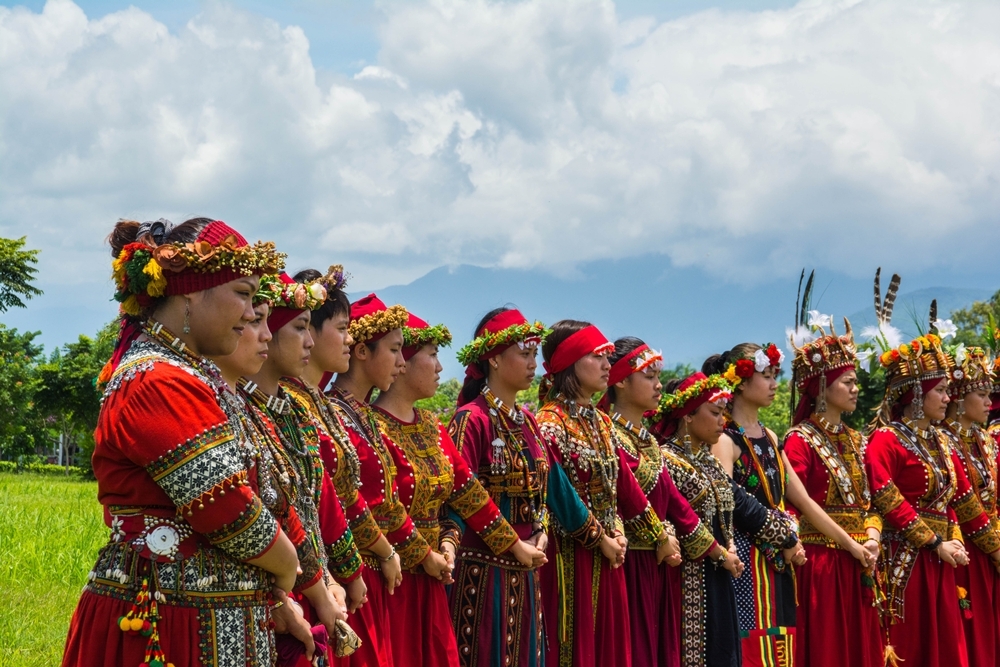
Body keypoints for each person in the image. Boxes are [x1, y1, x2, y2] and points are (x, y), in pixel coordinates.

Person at [63, 218, 303, 667]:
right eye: (244, 294)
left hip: (205, 617)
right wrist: (288, 570)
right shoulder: (157, 379)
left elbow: (266, 493)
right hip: (168, 622)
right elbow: (227, 507)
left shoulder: (195, 376)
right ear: (192, 290)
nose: (253, 314)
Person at [372, 312, 547, 667]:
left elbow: (467, 492)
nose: (440, 367)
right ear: (401, 361)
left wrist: (528, 537)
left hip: (441, 572)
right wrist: (432, 553)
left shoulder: (431, 426)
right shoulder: (370, 423)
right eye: (433, 354)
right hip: (392, 575)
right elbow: (381, 506)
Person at [448, 307, 599, 667]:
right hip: (481, 576)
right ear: (495, 359)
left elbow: (548, 486)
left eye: (535, 354)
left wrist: (542, 531)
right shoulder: (472, 419)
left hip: (526, 572)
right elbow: (460, 494)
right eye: (525, 354)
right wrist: (513, 545)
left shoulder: (527, 421)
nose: (534, 363)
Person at [704, 342, 855, 667]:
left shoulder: (771, 437)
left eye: (776, 375)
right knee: (751, 648)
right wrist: (780, 538)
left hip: (778, 562)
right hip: (746, 562)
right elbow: (726, 504)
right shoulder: (726, 440)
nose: (774, 384)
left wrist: (851, 545)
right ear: (741, 382)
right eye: (767, 376)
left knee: (781, 647)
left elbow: (802, 500)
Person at [536, 320, 670, 667]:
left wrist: (655, 534)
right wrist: (602, 539)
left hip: (610, 552)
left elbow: (625, 489)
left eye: (609, 357)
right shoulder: (549, 424)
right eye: (597, 357)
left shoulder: (601, 422)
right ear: (570, 363)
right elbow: (561, 499)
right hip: (570, 556)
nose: (607, 365)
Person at [241, 272, 358, 661]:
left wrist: (339, 576)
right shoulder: (243, 408)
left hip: (313, 587)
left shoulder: (293, 410)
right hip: (280, 593)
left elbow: (322, 501)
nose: (309, 341)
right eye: (300, 328)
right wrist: (318, 586)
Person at [866, 331, 1000, 667]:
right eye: (939, 390)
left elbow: (963, 501)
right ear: (915, 394)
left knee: (948, 648)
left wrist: (957, 540)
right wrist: (933, 541)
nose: (947, 398)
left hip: (941, 559)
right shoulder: (887, 439)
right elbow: (886, 497)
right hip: (906, 560)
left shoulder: (940, 442)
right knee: (914, 645)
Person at [650, 372, 797, 667]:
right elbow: (678, 518)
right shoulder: (666, 460)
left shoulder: (711, 463)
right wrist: (719, 553)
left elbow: (747, 508)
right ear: (688, 416)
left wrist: (789, 538)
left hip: (719, 574)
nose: (723, 422)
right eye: (715, 413)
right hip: (686, 578)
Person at [601, 337, 722, 667]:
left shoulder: (648, 442)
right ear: (622, 381)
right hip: (626, 562)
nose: (658, 386)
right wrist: (661, 537)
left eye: (658, 377)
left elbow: (674, 502)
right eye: (649, 377)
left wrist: (715, 549)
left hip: (659, 562)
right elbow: (629, 498)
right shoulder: (608, 435)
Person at [326, 294, 422, 667]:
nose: (402, 363)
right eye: (396, 350)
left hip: (375, 573)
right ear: (363, 351)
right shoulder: (337, 411)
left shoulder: (360, 414)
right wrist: (391, 551)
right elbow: (352, 500)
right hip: (353, 573)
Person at [783, 319, 883, 667]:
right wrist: (850, 544)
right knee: (830, 651)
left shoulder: (858, 440)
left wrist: (871, 536)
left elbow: (870, 502)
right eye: (849, 382)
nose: (856, 389)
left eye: (856, 382)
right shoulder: (799, 440)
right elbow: (796, 505)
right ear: (823, 386)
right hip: (822, 563)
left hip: (860, 562)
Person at [940, 345, 1000, 667]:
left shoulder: (987, 441)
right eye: (982, 393)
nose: (990, 402)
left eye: (991, 394)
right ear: (960, 397)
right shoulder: (944, 440)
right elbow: (964, 504)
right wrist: (996, 549)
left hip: (993, 548)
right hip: (966, 549)